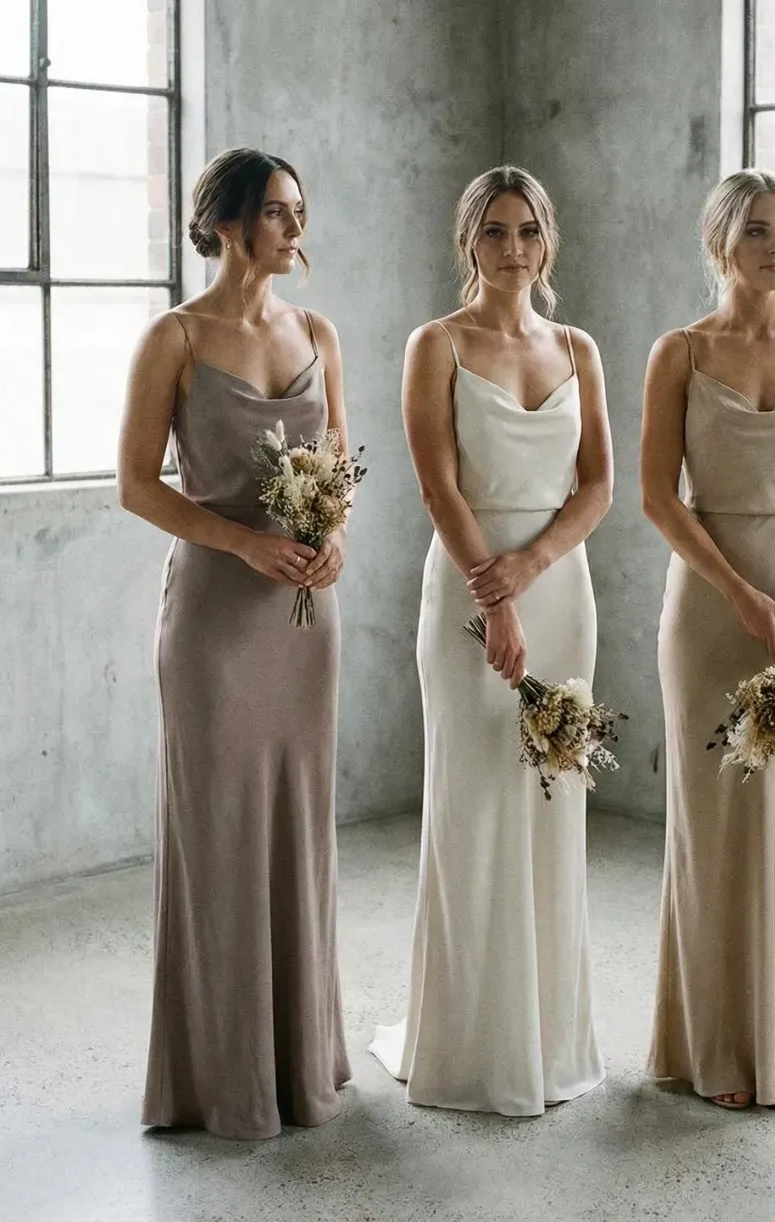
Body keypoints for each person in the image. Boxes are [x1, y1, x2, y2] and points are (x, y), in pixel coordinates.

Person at [118, 147, 352, 1140]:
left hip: (304, 620)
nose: (296, 229)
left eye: (300, 212)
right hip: (216, 611)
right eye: (278, 213)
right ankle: (221, 1079)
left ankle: (297, 1067)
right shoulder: (173, 336)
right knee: (216, 831)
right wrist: (245, 541)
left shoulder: (317, 330)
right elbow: (136, 484)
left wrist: (330, 536)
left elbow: (338, 458)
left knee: (298, 829)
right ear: (225, 223)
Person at [370, 165, 613, 1115]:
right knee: (471, 805)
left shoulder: (579, 347)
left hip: (560, 591)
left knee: (553, 806)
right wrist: (495, 595)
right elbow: (437, 484)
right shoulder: (436, 344)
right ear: (468, 241)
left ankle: (546, 1042)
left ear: (547, 242)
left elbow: (596, 487)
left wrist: (535, 568)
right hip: (469, 586)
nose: (513, 251)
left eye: (528, 233)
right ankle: (471, 1046)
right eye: (495, 233)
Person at [640, 169, 775, 1111]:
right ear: (719, 246)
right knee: (715, 821)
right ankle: (717, 1049)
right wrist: (733, 589)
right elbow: (657, 494)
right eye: (758, 232)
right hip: (710, 607)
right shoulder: (679, 353)